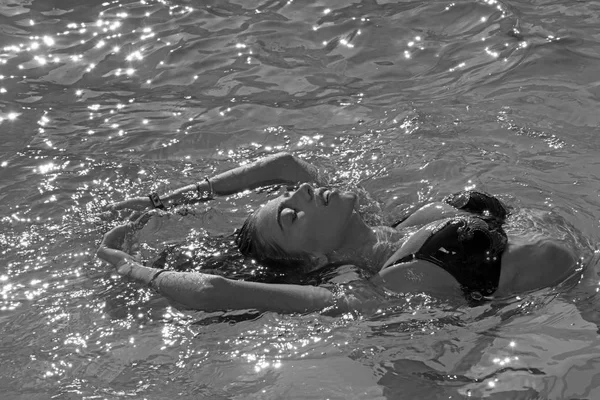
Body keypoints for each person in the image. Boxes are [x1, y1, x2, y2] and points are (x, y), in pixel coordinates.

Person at [97, 152, 577, 313]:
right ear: (313, 261)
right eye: (292, 216)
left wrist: (165, 202)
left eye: (293, 197)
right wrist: (132, 269)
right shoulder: (376, 287)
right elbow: (212, 289)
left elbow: (284, 164)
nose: (303, 190)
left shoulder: (387, 223)